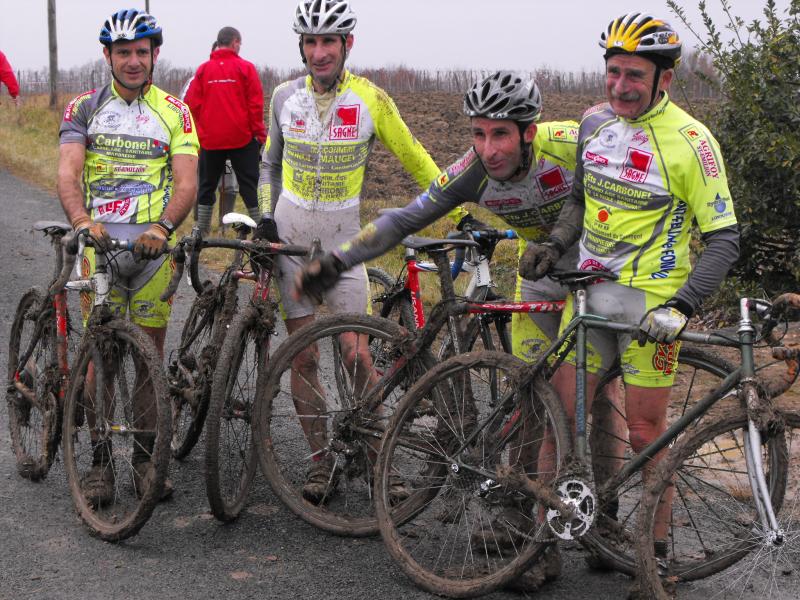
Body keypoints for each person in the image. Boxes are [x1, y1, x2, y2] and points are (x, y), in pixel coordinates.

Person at [291, 68, 604, 588]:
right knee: (533, 398)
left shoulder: (567, 145)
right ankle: (525, 530)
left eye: (500, 134)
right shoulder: (474, 170)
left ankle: (606, 524)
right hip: (542, 275)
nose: (488, 149)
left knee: (598, 395)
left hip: (597, 272)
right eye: (478, 134)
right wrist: (339, 261)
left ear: (528, 131)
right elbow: (403, 219)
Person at [520, 12, 739, 566]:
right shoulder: (595, 124)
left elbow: (724, 239)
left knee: (645, 434)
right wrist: (556, 242)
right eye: (613, 72)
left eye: (634, 75)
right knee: (560, 422)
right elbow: (578, 198)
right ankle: (541, 548)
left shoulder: (691, 142)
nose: (620, 86)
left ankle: (652, 555)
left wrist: (683, 306)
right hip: (589, 297)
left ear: (665, 78)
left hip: (650, 307)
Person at [254, 0, 466, 505]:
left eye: (329, 41)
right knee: (303, 357)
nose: (319, 52)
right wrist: (264, 216)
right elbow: (268, 165)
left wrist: (460, 212)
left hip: (345, 248)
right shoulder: (284, 96)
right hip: (291, 243)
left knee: (357, 354)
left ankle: (378, 462)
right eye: (311, 42)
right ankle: (319, 464)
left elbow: (417, 159)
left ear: (347, 44)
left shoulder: (372, 99)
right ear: (301, 47)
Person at [57, 8, 199, 505]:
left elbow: (187, 182)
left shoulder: (176, 111)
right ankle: (100, 463)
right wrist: (81, 221)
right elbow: (68, 172)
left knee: (148, 358)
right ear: (108, 56)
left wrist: (163, 227)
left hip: (153, 252)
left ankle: (143, 460)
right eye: (124, 52)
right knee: (103, 357)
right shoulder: (83, 108)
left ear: (155, 54)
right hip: (100, 248)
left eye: (142, 51)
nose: (133, 61)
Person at [184, 26, 266, 234]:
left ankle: (201, 231)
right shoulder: (246, 68)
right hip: (242, 138)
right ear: (235, 42)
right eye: (240, 43)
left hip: (210, 140)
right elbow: (255, 105)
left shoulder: (203, 70)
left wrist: (200, 132)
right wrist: (260, 135)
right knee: (249, 186)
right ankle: (261, 231)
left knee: (207, 186)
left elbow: (191, 104)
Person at [180, 43, 238, 232]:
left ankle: (225, 225)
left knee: (229, 186)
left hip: (230, 144)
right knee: (204, 185)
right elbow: (184, 110)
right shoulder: (197, 79)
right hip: (203, 145)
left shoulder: (237, 77)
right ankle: (200, 225)